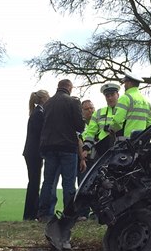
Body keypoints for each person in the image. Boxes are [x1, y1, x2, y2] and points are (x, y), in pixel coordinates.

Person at [37, 79, 85, 222]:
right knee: (69, 182)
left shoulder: (47, 104)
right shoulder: (73, 102)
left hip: (49, 147)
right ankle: (69, 214)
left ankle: (44, 214)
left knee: (49, 182)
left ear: (58, 87)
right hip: (67, 147)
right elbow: (79, 127)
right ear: (70, 88)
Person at [22, 90, 50, 221]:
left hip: (30, 152)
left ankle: (31, 213)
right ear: (44, 99)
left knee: (33, 182)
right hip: (34, 153)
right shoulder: (39, 114)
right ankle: (30, 214)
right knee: (34, 182)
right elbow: (41, 134)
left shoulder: (35, 112)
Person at [108, 72, 151, 138]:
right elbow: (150, 124)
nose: (124, 85)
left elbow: (117, 121)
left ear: (129, 83)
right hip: (142, 141)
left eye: (125, 82)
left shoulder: (125, 98)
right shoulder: (146, 101)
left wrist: (111, 129)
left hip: (128, 141)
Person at [83, 82, 120, 158]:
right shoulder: (98, 113)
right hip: (102, 150)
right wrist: (86, 149)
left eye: (112, 95)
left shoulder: (124, 111)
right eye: (107, 96)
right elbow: (91, 132)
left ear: (118, 95)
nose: (109, 98)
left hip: (120, 148)